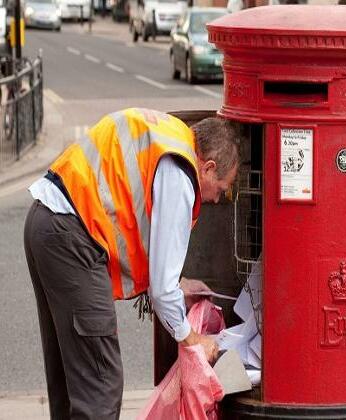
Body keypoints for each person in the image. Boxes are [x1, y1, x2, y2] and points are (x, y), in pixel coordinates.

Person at [23, 108, 241, 419]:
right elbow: (163, 293)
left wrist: (177, 286)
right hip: (72, 239)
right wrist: (193, 338)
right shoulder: (181, 172)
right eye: (220, 189)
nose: (216, 200)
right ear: (208, 167)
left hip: (46, 222)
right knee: (100, 386)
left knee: (71, 384)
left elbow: (130, 212)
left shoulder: (169, 137)